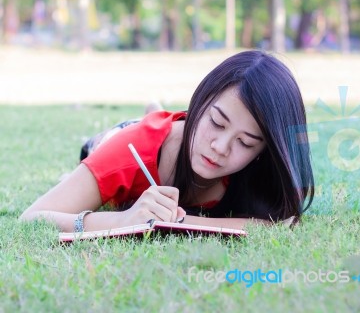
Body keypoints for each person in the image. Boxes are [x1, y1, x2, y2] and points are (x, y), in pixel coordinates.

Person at [20, 50, 314, 232]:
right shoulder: (129, 150)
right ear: (200, 100)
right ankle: (151, 113)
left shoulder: (267, 167)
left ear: (266, 149)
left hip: (174, 132)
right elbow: (31, 220)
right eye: (216, 122)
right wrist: (124, 220)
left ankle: (158, 111)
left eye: (246, 143)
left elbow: (274, 226)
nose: (220, 147)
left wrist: (177, 222)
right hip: (127, 137)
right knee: (110, 140)